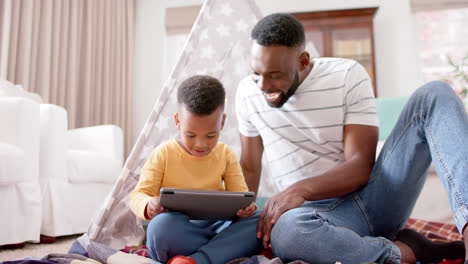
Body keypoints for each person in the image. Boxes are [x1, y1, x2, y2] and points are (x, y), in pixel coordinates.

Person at [236, 13, 467, 263]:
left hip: (371, 200)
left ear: (303, 61)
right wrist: (233, 210)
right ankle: (407, 252)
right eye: (256, 73)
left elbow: (359, 166)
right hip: (313, 218)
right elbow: (249, 166)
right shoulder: (247, 94)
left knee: (435, 94)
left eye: (275, 75)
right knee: (288, 233)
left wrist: (299, 190)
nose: (262, 85)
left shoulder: (346, 75)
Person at [130, 75, 261, 264]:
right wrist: (148, 205)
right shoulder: (164, 153)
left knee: (258, 219)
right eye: (190, 135)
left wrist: (247, 209)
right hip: (181, 229)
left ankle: (196, 260)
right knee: (159, 227)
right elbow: (137, 195)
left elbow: (241, 195)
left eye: (210, 135)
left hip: (216, 227)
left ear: (222, 123)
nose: (201, 144)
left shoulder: (225, 154)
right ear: (177, 121)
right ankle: (215, 253)